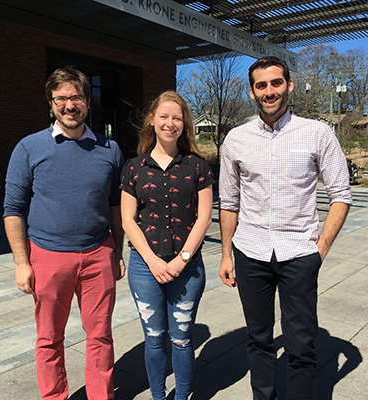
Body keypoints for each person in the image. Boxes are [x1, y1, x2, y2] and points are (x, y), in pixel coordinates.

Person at [218, 56, 353, 400]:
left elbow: (341, 194)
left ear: (289, 85)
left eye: (276, 83)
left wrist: (319, 249)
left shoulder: (317, 133)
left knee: (301, 345)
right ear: (252, 92)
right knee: (259, 339)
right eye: (261, 85)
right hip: (250, 251)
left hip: (299, 253)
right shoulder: (236, 139)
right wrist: (226, 254)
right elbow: (229, 202)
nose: (269, 91)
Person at [3, 66, 125, 400]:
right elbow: (13, 209)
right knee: (48, 338)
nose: (69, 105)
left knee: (100, 336)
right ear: (51, 102)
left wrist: (118, 251)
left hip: (99, 253)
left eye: (76, 97)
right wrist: (21, 263)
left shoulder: (109, 150)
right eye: (61, 98)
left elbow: (115, 204)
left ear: (88, 100)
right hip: (48, 256)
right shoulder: (29, 148)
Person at [120, 90, 214, 400]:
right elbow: (128, 220)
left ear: (184, 123)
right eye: (164, 116)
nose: (170, 123)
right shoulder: (135, 167)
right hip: (145, 267)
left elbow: (203, 218)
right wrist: (153, 261)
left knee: (183, 339)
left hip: (187, 269)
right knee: (155, 338)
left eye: (177, 117)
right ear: (152, 120)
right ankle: (158, 396)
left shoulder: (198, 166)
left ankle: (183, 395)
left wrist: (181, 259)